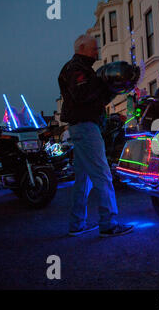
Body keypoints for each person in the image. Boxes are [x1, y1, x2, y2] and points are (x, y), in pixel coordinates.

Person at [58, 34, 134, 237]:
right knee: (102, 175)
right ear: (81, 47)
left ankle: (77, 224)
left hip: (83, 127)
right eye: (93, 48)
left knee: (84, 179)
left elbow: (96, 98)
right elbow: (83, 95)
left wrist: (117, 86)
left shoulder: (83, 70)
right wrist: (106, 82)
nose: (97, 52)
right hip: (85, 127)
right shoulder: (75, 69)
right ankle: (108, 224)